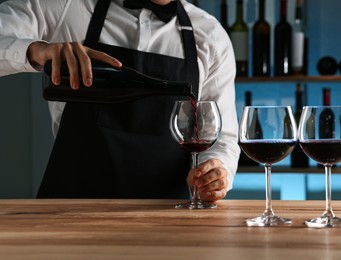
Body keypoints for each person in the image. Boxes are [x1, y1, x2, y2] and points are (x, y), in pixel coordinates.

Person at [0, 0, 240, 201]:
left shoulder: (211, 37)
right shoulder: (68, 5)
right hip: (69, 214)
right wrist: (35, 51)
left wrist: (215, 170)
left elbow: (222, 138)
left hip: (167, 221)